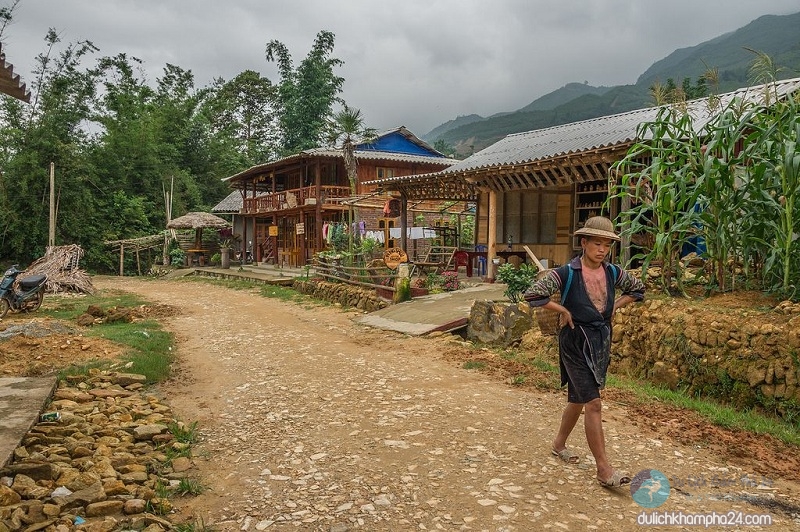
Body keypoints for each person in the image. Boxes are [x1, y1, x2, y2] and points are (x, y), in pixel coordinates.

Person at [524, 216, 645, 488]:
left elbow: (638, 290)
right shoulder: (565, 273)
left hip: (600, 340)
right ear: (584, 243)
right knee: (593, 402)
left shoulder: (613, 273)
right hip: (574, 342)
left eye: (606, 245)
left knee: (579, 398)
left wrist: (617, 304)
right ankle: (604, 470)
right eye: (597, 244)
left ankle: (558, 444)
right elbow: (533, 295)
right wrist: (563, 310)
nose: (602, 250)